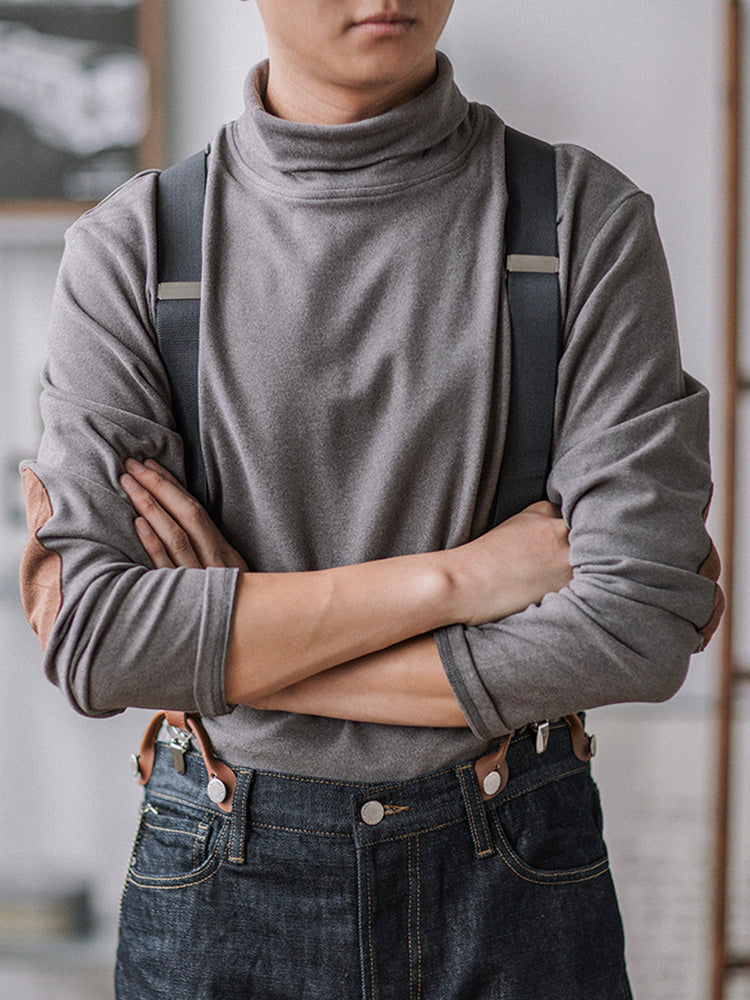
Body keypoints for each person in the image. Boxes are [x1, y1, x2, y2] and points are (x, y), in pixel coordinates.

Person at [20, 2, 724, 997]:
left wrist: (233, 648)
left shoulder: (583, 223)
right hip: (217, 876)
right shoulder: (133, 248)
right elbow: (97, 637)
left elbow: (639, 624)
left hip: (514, 870)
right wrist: (455, 580)